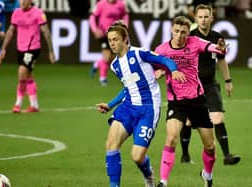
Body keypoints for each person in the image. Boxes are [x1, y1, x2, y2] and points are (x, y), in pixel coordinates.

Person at [96, 21, 186, 187]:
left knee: (137, 156)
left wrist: (173, 70)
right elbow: (128, 88)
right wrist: (110, 104)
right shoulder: (115, 66)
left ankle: (149, 176)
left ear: (125, 39)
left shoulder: (140, 53)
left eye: (115, 39)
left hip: (148, 108)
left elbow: (164, 60)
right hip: (128, 107)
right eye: (110, 40)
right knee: (111, 144)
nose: (112, 44)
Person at [154, 16, 227, 187]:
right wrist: (159, 72)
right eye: (177, 31)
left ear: (188, 33)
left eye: (183, 33)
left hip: (197, 101)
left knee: (210, 146)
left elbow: (212, 48)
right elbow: (153, 69)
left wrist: (221, 49)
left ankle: (207, 175)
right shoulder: (162, 49)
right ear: (171, 30)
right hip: (176, 102)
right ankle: (163, 181)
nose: (179, 36)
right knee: (171, 138)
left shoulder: (194, 42)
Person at [179, 4, 241, 165]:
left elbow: (221, 59)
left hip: (211, 85)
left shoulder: (217, 36)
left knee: (218, 117)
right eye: (200, 17)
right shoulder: (190, 37)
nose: (203, 20)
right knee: (188, 122)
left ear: (212, 18)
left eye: (206, 16)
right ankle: (185, 156)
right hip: (192, 86)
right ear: (195, 18)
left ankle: (227, 156)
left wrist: (228, 81)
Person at [0, 0, 55, 113]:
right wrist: (3, 48)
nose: (22, 2)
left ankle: (17, 104)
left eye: (24, 0)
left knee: (21, 72)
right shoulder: (16, 12)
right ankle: (34, 105)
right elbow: (11, 31)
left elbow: (46, 32)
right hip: (20, 48)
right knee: (28, 75)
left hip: (33, 49)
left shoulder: (38, 13)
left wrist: (51, 51)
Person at [89, 0, 129, 85]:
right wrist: (95, 30)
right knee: (107, 57)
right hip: (104, 34)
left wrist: (125, 25)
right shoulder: (101, 4)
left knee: (113, 57)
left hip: (116, 35)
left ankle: (98, 63)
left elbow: (125, 15)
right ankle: (103, 78)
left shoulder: (120, 4)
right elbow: (92, 17)